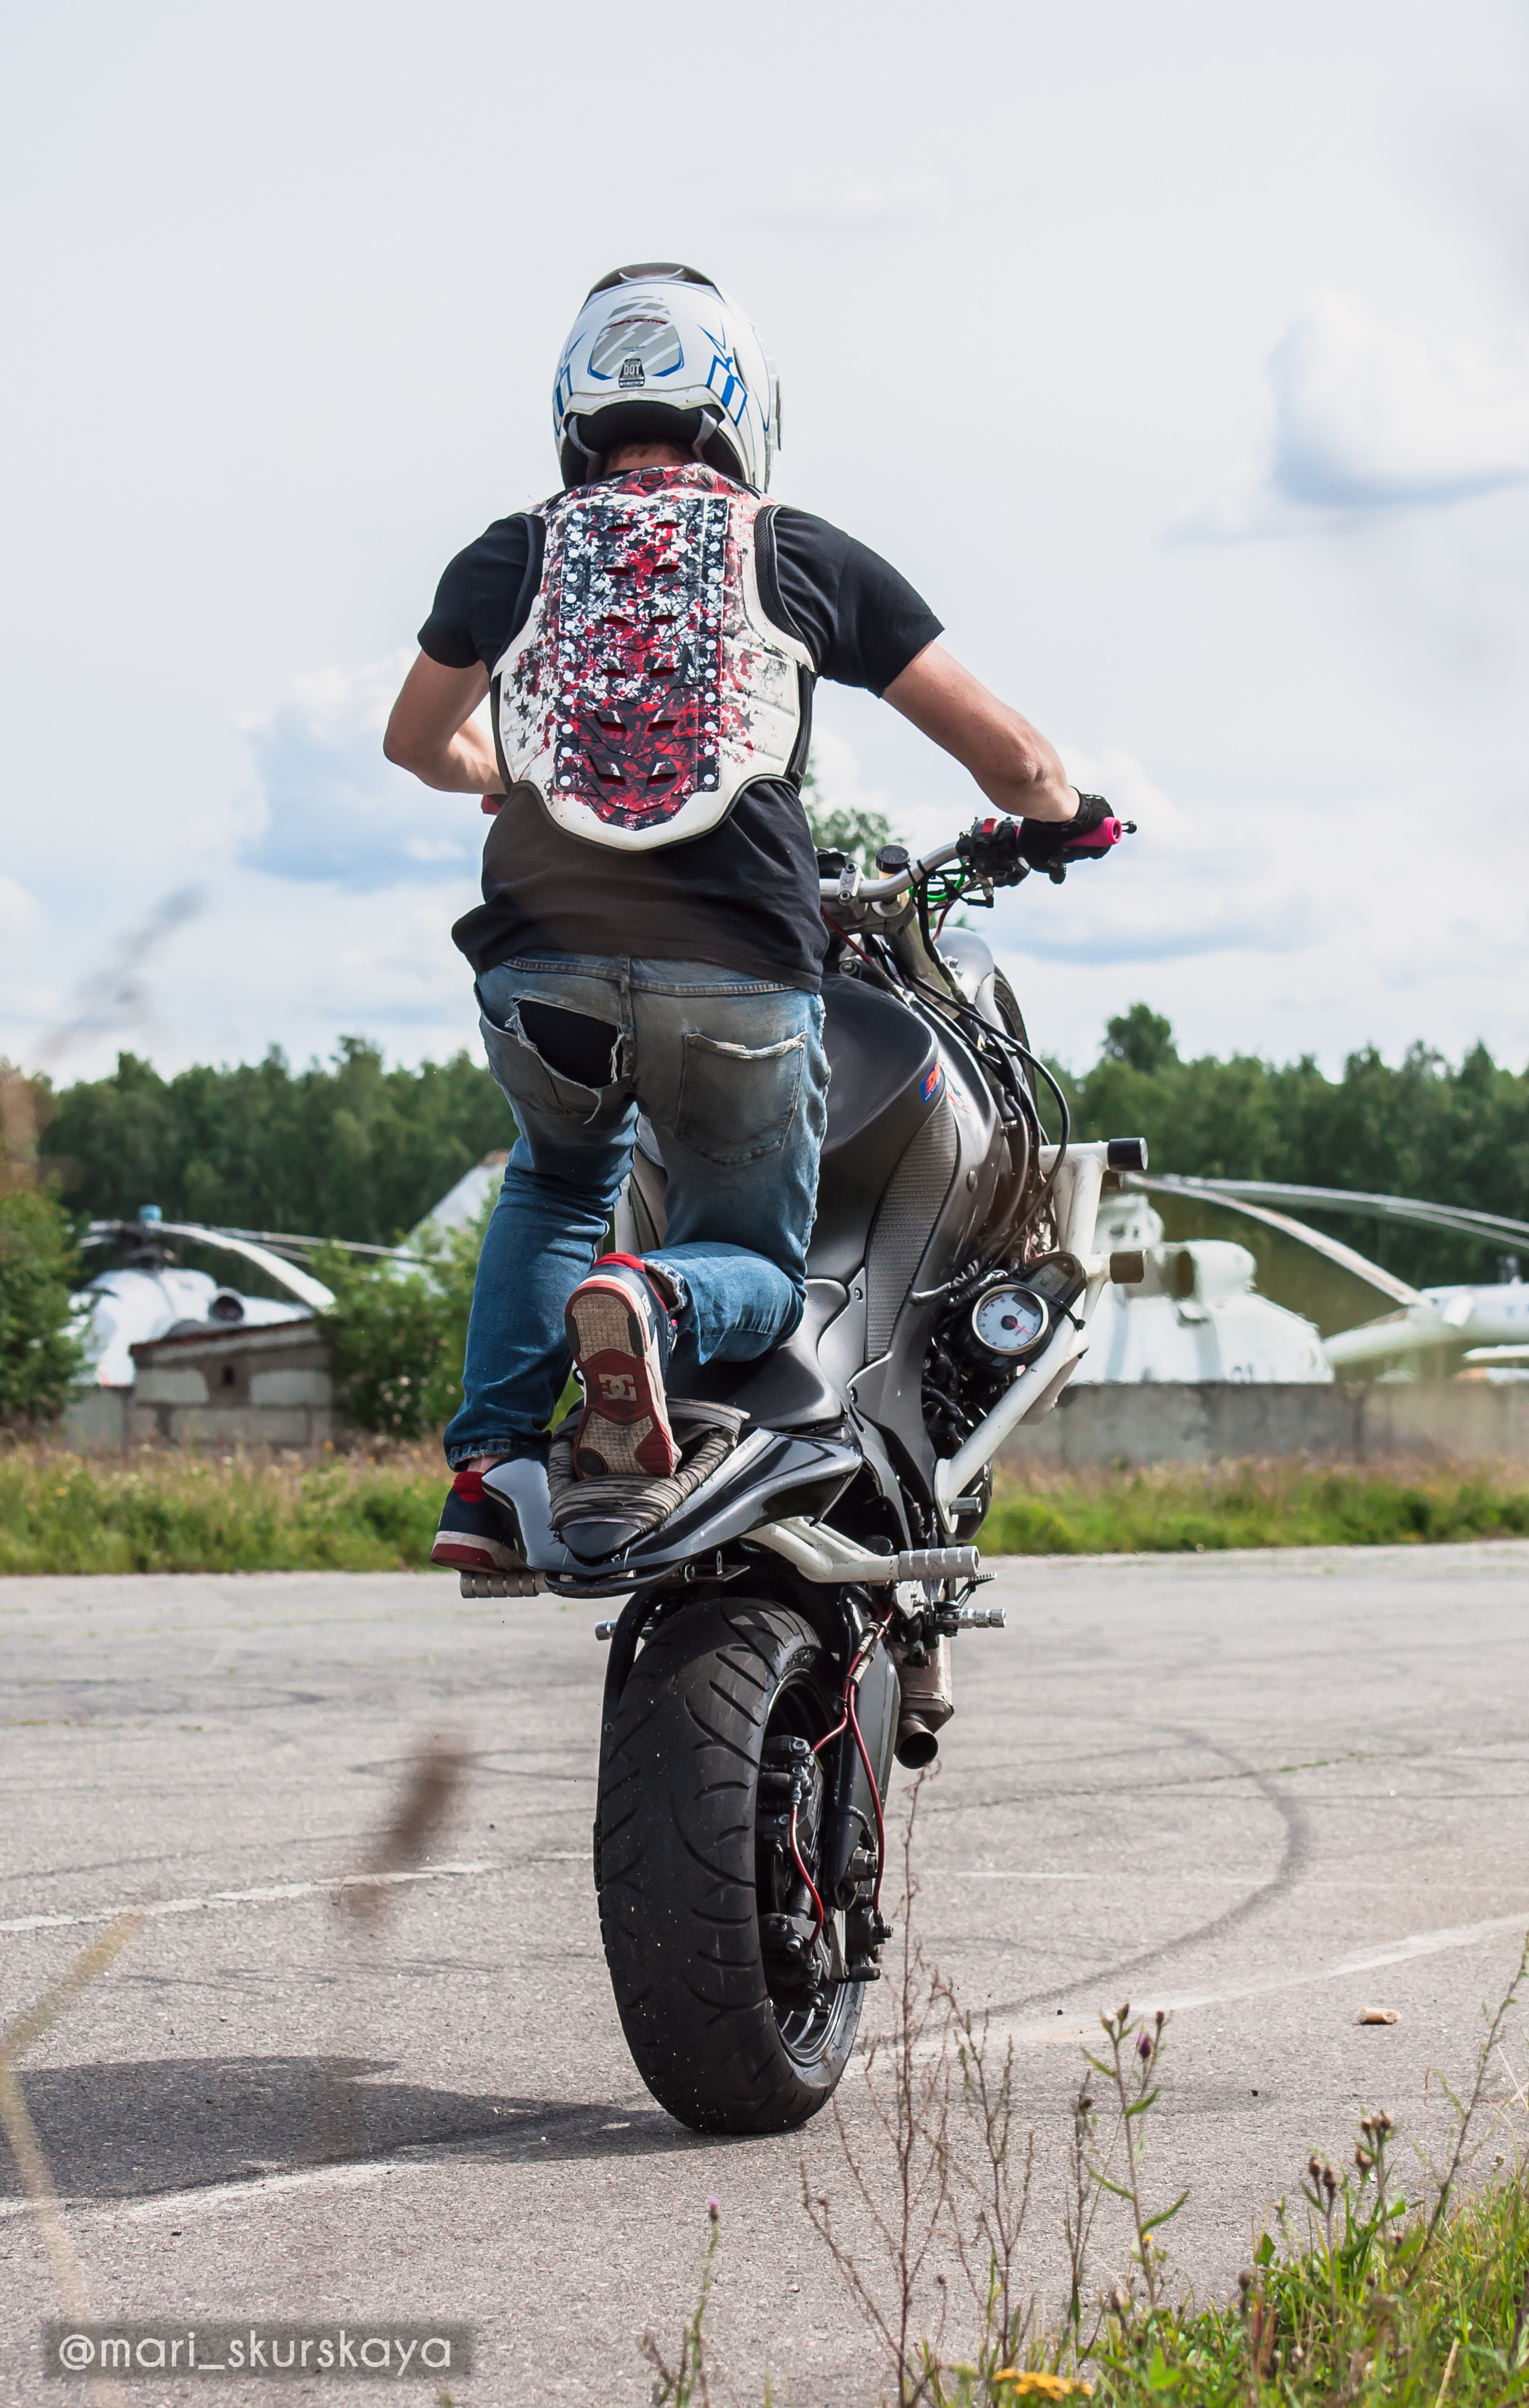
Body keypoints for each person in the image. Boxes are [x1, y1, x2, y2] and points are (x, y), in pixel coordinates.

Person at [383, 262, 1109, 1573]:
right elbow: (1010, 761)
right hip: (736, 966)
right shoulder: (796, 548)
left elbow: (414, 742)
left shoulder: (513, 551)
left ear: (575, 406)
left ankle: (488, 1474)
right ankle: (650, 1309)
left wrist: (506, 775)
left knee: (555, 1184)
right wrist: (1061, 814)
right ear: (739, 403)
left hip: (537, 963)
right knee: (753, 1267)